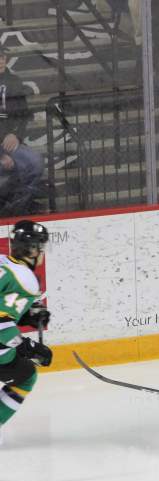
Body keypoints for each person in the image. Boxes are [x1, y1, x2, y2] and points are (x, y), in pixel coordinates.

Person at [0, 221, 52, 445]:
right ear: (32, 249)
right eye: (41, 247)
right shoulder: (26, 280)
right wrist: (27, 347)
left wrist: (26, 316)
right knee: (26, 375)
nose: (42, 252)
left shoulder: (3, 264)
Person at [0, 47, 45, 215]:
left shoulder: (14, 81)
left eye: (2, 56)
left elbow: (23, 114)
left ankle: (18, 207)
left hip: (10, 142)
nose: (1, 60)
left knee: (35, 162)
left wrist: (15, 135)